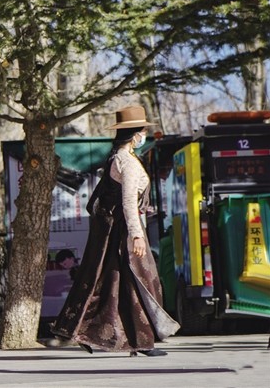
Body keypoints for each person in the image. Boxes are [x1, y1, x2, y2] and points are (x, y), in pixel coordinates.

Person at [51, 105, 180, 356]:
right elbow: (128, 201)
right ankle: (142, 341)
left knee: (113, 283)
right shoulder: (127, 162)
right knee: (142, 281)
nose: (144, 135)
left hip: (115, 230)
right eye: (142, 131)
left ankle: (96, 333)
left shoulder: (118, 158)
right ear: (135, 134)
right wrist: (136, 235)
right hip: (125, 231)